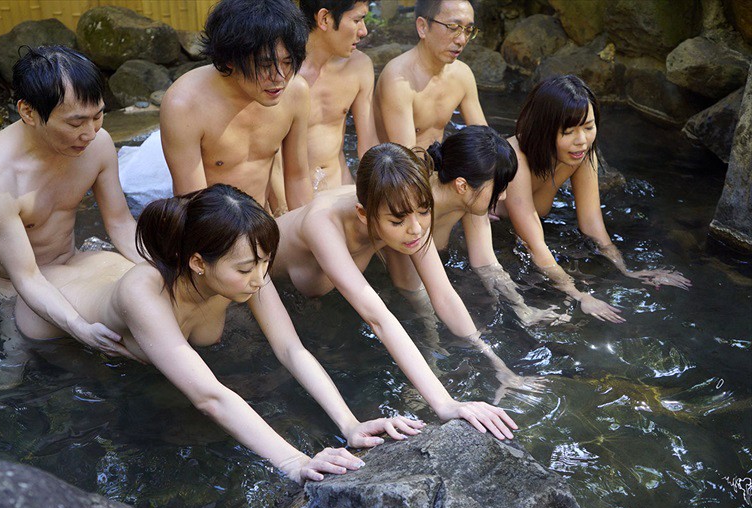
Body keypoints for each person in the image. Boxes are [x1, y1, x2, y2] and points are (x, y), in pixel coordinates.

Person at [14, 184, 423, 483]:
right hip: (52, 318)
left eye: (265, 262)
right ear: (198, 263)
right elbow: (209, 396)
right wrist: (296, 462)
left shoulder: (248, 272)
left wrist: (349, 424)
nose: (259, 278)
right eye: (245, 268)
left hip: (100, 269)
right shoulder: (143, 293)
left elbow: (290, 348)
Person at [273, 143, 545, 437]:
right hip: (261, 292)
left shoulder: (403, 206)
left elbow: (443, 294)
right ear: (363, 214)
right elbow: (378, 318)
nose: (415, 228)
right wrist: (445, 404)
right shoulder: (323, 224)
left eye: (424, 211)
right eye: (398, 221)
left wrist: (498, 365)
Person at [0, 45, 143, 359]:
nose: (90, 133)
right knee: (10, 374)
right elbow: (27, 277)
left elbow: (121, 224)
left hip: (72, 263)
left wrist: (166, 270)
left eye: (98, 115)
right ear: (28, 112)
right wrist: (79, 328)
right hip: (15, 292)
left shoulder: (98, 145)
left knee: (147, 299)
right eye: (75, 123)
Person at [495, 75, 691, 323]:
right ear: (542, 129)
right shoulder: (515, 160)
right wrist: (579, 295)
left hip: (520, 234)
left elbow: (591, 224)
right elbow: (534, 244)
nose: (582, 140)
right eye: (568, 131)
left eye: (588, 127)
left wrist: (627, 271)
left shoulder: (580, 154)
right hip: (490, 232)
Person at [120, 0, 313, 213]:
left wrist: (306, 227)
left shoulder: (296, 92)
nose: (279, 77)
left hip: (263, 219)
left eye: (288, 62)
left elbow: (298, 178)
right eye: (265, 65)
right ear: (230, 59)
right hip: (214, 225)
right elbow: (192, 203)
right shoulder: (185, 104)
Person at [386, 125, 563, 326]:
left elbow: (486, 263)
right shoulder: (412, 214)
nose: (503, 196)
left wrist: (523, 309)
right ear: (462, 185)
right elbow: (413, 289)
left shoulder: (469, 199)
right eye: (499, 188)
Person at [374, 0, 486, 150]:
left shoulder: (462, 74)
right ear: (423, 27)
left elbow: (485, 140)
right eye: (453, 27)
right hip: (398, 164)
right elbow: (404, 158)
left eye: (468, 30)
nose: (462, 40)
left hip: (436, 162)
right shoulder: (398, 78)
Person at [298, 0, 379, 191]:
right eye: (357, 20)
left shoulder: (359, 66)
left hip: (341, 189)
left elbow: (368, 145)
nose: (364, 31)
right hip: (295, 197)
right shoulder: (280, 74)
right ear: (324, 19)